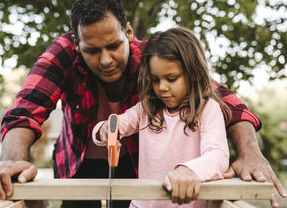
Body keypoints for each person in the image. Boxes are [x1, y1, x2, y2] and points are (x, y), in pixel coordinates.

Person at [0, 0, 286, 208]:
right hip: (79, 165)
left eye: (113, 46)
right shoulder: (61, 53)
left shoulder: (154, 61)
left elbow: (223, 99)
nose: (105, 60)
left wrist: (250, 152)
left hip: (134, 167)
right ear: (76, 42)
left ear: (128, 33)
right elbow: (25, 111)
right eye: (92, 50)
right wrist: (12, 157)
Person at [92, 27, 231, 207]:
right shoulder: (146, 109)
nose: (162, 87)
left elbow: (218, 155)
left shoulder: (207, 109)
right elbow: (117, 123)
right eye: (156, 80)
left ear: (194, 74)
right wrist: (105, 130)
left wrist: (189, 171)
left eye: (171, 79)